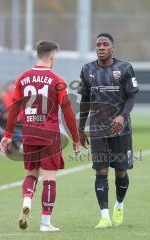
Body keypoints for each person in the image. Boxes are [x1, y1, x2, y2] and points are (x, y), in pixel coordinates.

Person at [0, 40, 81, 232]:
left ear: (38, 54)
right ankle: (45, 223)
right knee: (50, 178)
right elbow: (67, 113)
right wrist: (76, 139)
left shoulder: (22, 78)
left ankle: (27, 199)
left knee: (31, 174)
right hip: (49, 135)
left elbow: (13, 111)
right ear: (52, 56)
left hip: (28, 133)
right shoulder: (58, 80)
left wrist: (8, 135)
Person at [78, 33, 138, 228]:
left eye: (105, 44)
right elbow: (85, 101)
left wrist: (122, 116)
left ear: (113, 48)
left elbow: (130, 97)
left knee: (121, 171)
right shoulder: (87, 70)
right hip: (97, 130)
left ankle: (118, 205)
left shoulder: (125, 68)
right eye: (98, 45)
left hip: (121, 129)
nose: (101, 47)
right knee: (100, 171)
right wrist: (81, 128)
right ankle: (104, 216)